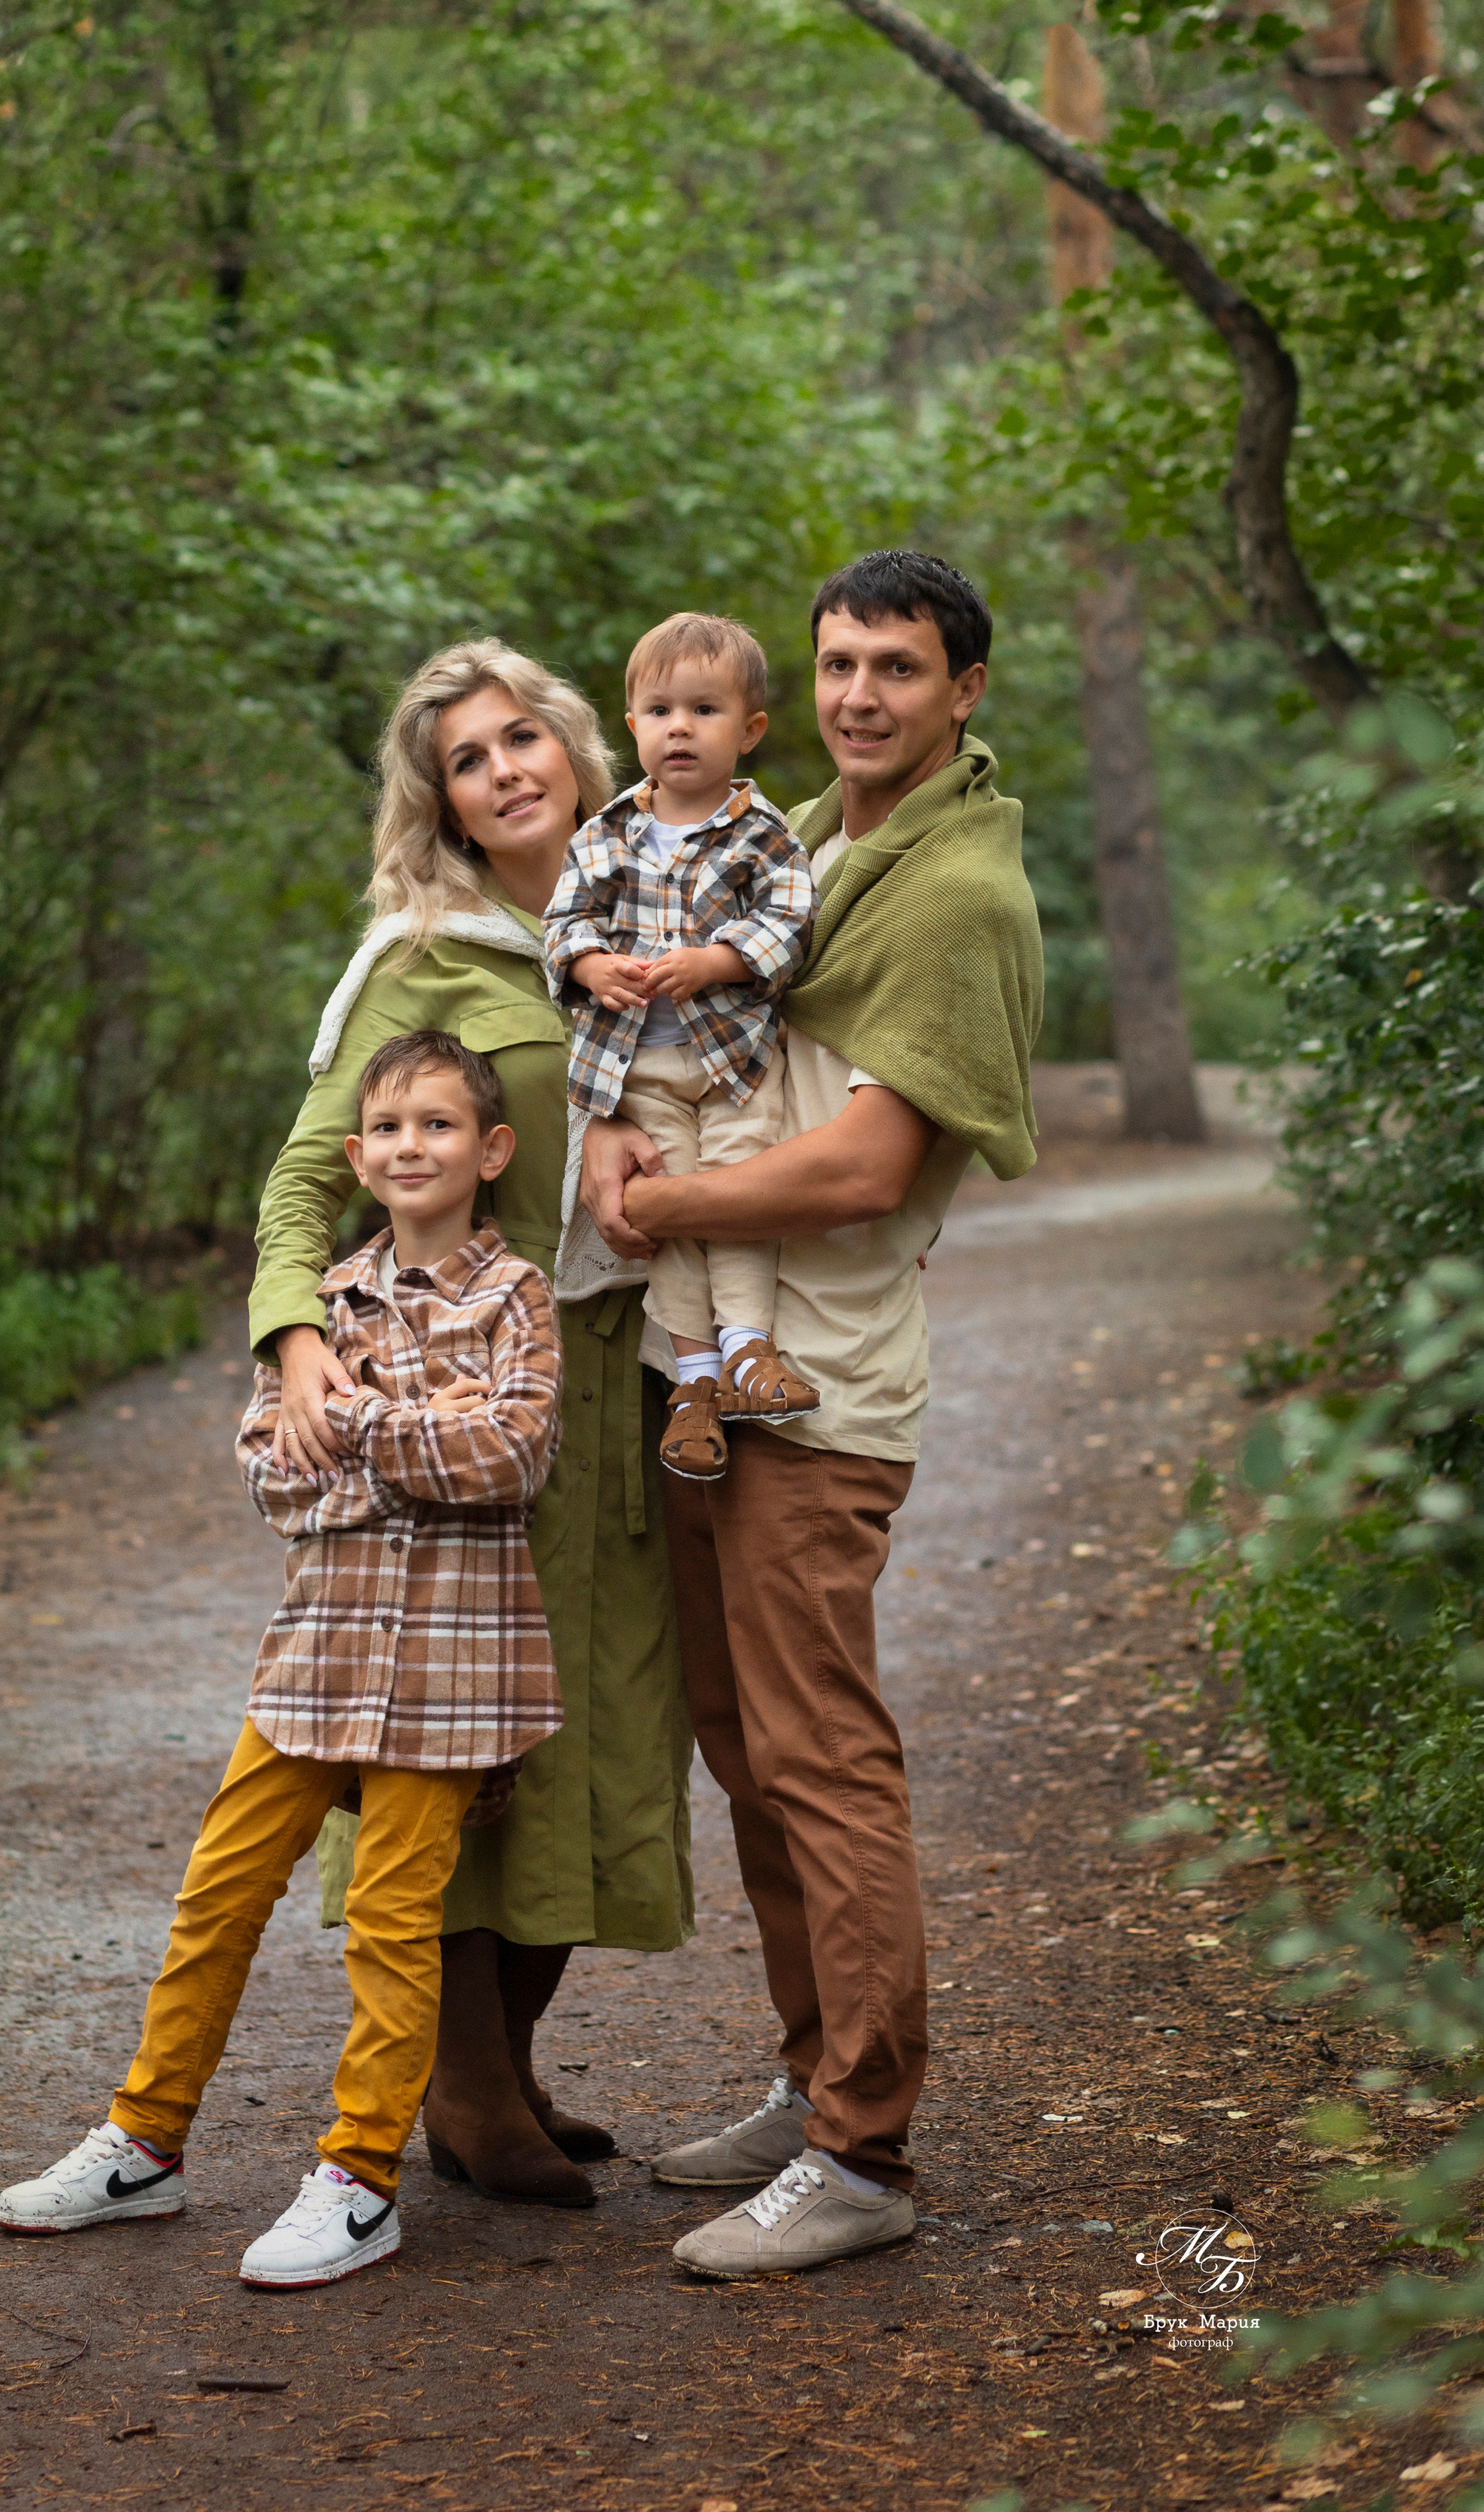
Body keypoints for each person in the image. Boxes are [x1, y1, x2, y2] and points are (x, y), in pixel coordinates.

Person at [580, 550, 1043, 2281]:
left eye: (897, 669)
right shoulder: (823, 847)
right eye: (839, 661)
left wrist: (660, 1210)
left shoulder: (951, 892)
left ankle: (860, 2147)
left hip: (818, 1380)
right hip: (713, 1367)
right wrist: (621, 1129)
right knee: (742, 1735)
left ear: (963, 690)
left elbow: (859, 1164)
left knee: (819, 1751)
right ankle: (811, 2070)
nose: (859, 692)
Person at [0, 1029, 566, 2287]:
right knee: (219, 1893)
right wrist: (413, 1435)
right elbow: (272, 1474)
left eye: (441, 1126)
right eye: (393, 1129)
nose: (414, 1146)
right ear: (358, 1158)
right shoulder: (322, 1309)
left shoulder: (515, 1296)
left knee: (391, 1919)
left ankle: (361, 2179)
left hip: (450, 1674)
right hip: (314, 1657)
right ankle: (143, 2142)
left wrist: (355, 1422)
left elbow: (514, 1459)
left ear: (492, 1150)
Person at [249, 638, 695, 2209]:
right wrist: (294, 1337)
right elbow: (312, 1175)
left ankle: (503, 2066)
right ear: (437, 801)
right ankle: (456, 2087)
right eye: (466, 759)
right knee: (445, 1733)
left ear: (570, 746)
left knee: (592, 1730)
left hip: (618, 1388)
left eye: (522, 738)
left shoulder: (655, 920)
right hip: (455, 1411)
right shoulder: (417, 962)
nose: (505, 770)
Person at [542, 613, 821, 1485]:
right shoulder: (606, 835)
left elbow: (791, 921)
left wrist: (719, 959)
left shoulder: (763, 833)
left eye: (705, 710)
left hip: (733, 1064)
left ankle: (749, 1351)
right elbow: (563, 921)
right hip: (637, 1072)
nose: (680, 728)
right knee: (670, 1219)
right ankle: (694, 1381)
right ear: (632, 727)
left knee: (731, 1200)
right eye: (660, 710)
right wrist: (590, 965)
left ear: (749, 730)